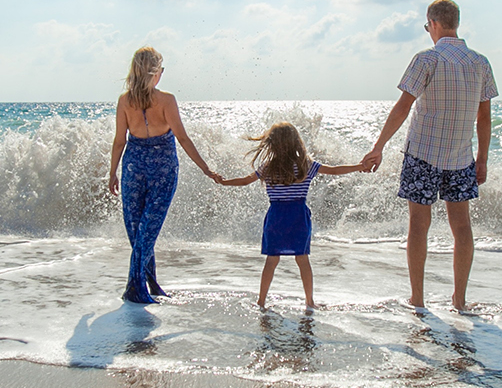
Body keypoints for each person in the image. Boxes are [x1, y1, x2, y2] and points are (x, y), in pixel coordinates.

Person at [361, 0, 496, 312]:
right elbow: (484, 118)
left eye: (427, 26)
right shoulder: (480, 62)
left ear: (433, 23)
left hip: (422, 154)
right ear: (456, 23)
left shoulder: (427, 59)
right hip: (461, 158)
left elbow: (402, 108)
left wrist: (379, 146)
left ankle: (418, 299)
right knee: (462, 227)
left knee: (419, 226)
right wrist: (483, 159)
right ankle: (459, 300)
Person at [108, 47, 222, 304]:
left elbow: (119, 141)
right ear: (155, 72)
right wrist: (205, 168)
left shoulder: (125, 101)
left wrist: (112, 172)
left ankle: (146, 284)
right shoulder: (167, 100)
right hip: (163, 167)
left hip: (133, 166)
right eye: (161, 69)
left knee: (139, 230)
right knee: (147, 229)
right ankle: (137, 286)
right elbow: (182, 138)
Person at [217, 122, 365, 310]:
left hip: (276, 217)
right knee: (302, 259)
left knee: (271, 260)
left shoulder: (268, 167)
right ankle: (309, 302)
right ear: (296, 142)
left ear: (272, 144)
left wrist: (224, 182)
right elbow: (334, 170)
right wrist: (360, 166)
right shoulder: (305, 165)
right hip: (298, 217)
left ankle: (261, 301)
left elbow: (246, 181)